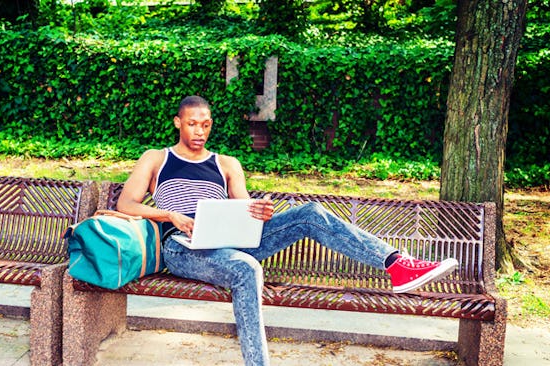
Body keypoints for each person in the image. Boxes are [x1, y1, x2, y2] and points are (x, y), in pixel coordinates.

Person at [116, 95, 458, 366]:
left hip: (229, 239)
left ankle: (395, 263)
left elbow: (243, 210)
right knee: (246, 269)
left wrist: (258, 213)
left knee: (309, 214)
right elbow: (126, 204)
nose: (200, 132)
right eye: (192, 124)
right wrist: (171, 215)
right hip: (182, 246)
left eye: (206, 125)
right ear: (178, 122)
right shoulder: (156, 158)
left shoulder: (226, 164)